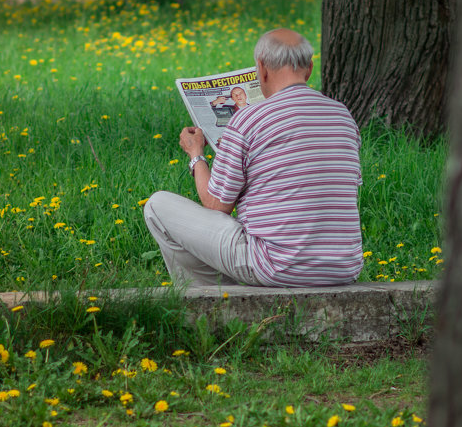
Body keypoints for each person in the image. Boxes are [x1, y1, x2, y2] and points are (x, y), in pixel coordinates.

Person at [143, 28, 364, 287]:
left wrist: (196, 155)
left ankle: (204, 305)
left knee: (157, 206)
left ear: (262, 69)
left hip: (277, 266)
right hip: (343, 268)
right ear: (309, 68)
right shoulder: (343, 117)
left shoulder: (248, 120)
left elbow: (216, 206)